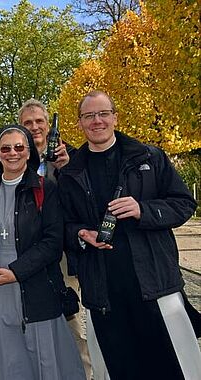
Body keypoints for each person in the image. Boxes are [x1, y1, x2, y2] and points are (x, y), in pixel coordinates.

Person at [59, 90, 201, 379]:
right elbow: (63, 225)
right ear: (79, 124)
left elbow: (184, 203)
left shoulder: (148, 156)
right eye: (89, 116)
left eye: (103, 114)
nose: (97, 121)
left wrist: (142, 210)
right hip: (104, 290)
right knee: (119, 369)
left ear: (115, 117)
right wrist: (81, 233)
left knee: (173, 368)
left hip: (154, 283)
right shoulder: (71, 172)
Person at [0, 125, 86, 379]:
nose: (13, 153)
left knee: (42, 359)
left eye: (19, 147)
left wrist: (15, 272)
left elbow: (53, 243)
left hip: (36, 288)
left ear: (29, 151)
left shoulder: (45, 188)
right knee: (7, 361)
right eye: (6, 148)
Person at [18, 98, 93, 379]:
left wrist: (66, 169)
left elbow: (83, 202)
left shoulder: (70, 157)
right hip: (27, 254)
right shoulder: (16, 157)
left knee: (72, 322)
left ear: (49, 126)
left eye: (39, 121)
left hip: (62, 253)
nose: (35, 127)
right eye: (28, 123)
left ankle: (83, 373)